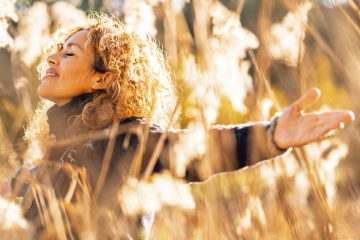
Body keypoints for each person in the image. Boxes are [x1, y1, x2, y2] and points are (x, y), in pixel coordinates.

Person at [0, 13, 355, 236]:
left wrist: (270, 135)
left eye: (69, 53)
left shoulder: (125, 139)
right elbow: (30, 181)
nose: (52, 56)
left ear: (101, 80)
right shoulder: (60, 150)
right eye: (59, 48)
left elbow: (197, 150)